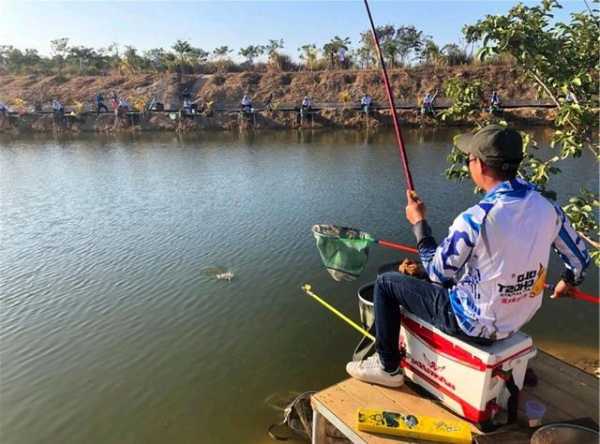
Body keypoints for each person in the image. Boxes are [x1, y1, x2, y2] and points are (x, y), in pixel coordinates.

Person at [346, 125, 590, 387]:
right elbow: (579, 260)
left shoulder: (476, 218)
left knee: (387, 284)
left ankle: (388, 367)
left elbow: (437, 274)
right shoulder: (548, 208)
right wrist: (568, 281)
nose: (468, 164)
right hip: (518, 317)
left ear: (481, 166)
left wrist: (419, 224)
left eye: (469, 159)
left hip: (472, 324)